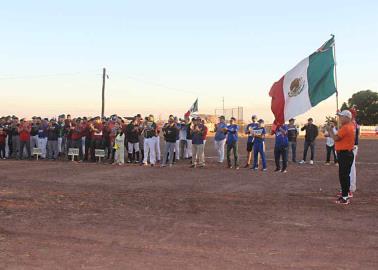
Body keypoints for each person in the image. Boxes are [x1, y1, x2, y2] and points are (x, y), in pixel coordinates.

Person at [328, 110, 355, 205]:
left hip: (344, 154)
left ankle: (345, 197)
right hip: (346, 154)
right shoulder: (349, 126)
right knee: (345, 175)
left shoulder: (346, 127)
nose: (340, 118)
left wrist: (330, 130)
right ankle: (345, 194)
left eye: (341, 116)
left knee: (343, 175)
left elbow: (336, 138)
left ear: (347, 118)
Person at [349, 115, 360, 193]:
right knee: (351, 167)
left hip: (352, 147)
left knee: (351, 167)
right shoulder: (354, 124)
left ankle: (351, 186)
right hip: (353, 146)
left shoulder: (352, 124)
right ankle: (351, 186)